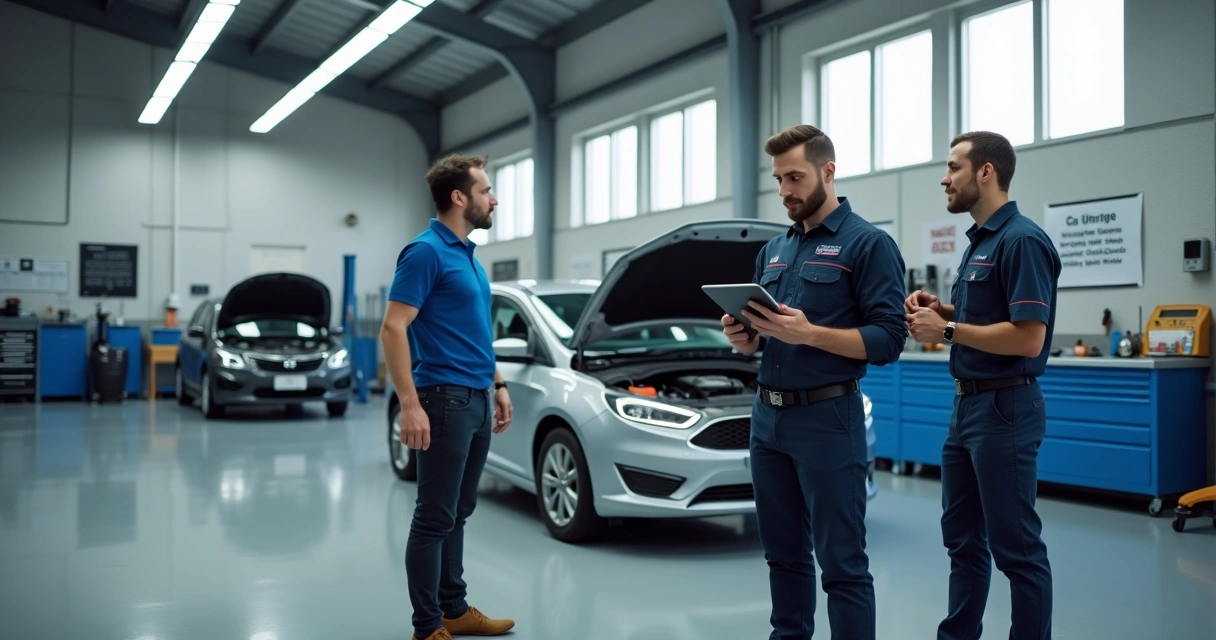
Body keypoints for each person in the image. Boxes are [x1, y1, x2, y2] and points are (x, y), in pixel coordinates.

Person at [722, 124, 908, 639]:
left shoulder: (868, 244)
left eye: (796, 177)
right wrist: (747, 338)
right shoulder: (773, 251)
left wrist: (813, 334)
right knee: (783, 556)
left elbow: (890, 340)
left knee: (842, 563)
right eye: (779, 179)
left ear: (828, 171)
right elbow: (766, 337)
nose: (785, 191)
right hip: (767, 420)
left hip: (828, 420)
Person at [905, 131, 1059, 640]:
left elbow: (1029, 337)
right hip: (966, 412)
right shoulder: (982, 243)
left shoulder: (1022, 240)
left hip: (1005, 409)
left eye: (953, 168)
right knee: (963, 543)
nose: (944, 179)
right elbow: (989, 315)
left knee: (1016, 550)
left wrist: (946, 331)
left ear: (986, 172)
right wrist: (944, 311)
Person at [380, 153, 516, 640]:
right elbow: (394, 327)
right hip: (443, 399)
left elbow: (475, 332)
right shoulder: (424, 252)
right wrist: (411, 404)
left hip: (477, 397)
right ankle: (427, 625)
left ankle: (454, 608)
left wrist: (497, 384)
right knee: (434, 515)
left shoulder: (467, 255)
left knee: (460, 509)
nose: (493, 198)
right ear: (459, 197)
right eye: (486, 191)